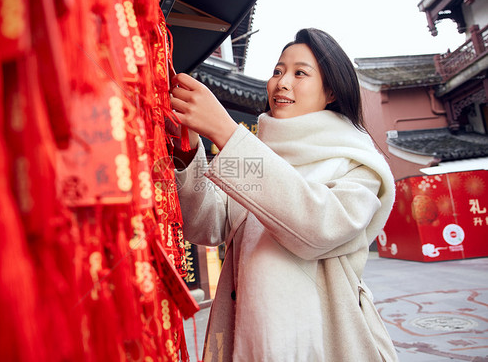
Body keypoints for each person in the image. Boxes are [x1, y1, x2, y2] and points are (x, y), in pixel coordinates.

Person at [169, 28, 398, 361]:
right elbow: (207, 225)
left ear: (331, 90)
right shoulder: (256, 155)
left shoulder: (357, 163)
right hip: (250, 341)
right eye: (278, 71)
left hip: (324, 344)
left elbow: (316, 226)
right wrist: (188, 150)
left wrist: (225, 131)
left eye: (299, 72)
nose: (282, 82)